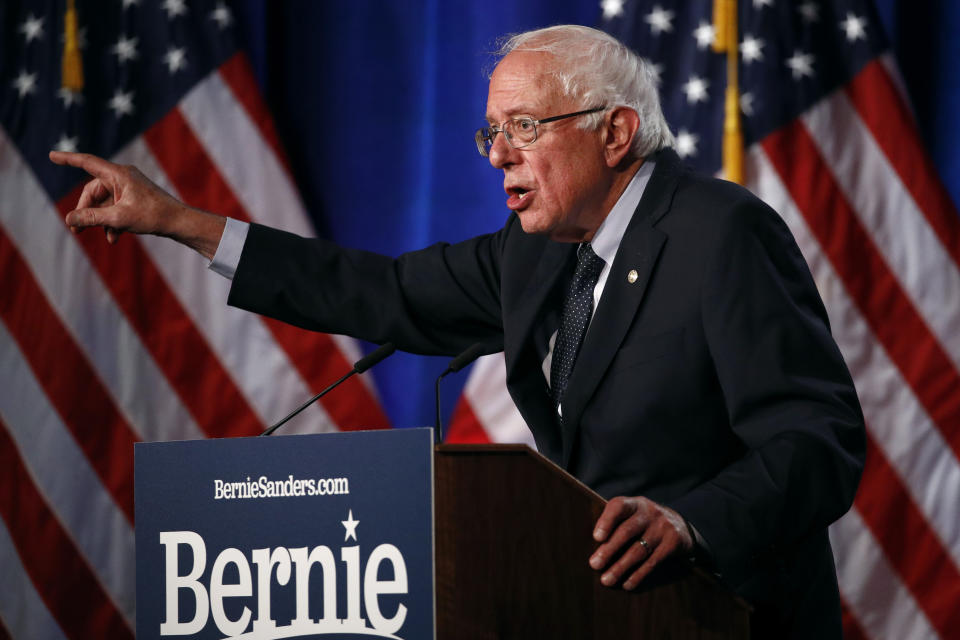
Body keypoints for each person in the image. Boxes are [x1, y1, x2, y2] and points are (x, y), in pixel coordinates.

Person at [50, 24, 864, 637]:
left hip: (728, 620)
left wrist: (689, 522)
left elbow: (816, 441)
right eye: (492, 132)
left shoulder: (719, 233)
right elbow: (386, 293)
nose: (497, 155)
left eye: (524, 128)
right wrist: (183, 222)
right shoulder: (537, 255)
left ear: (615, 133)